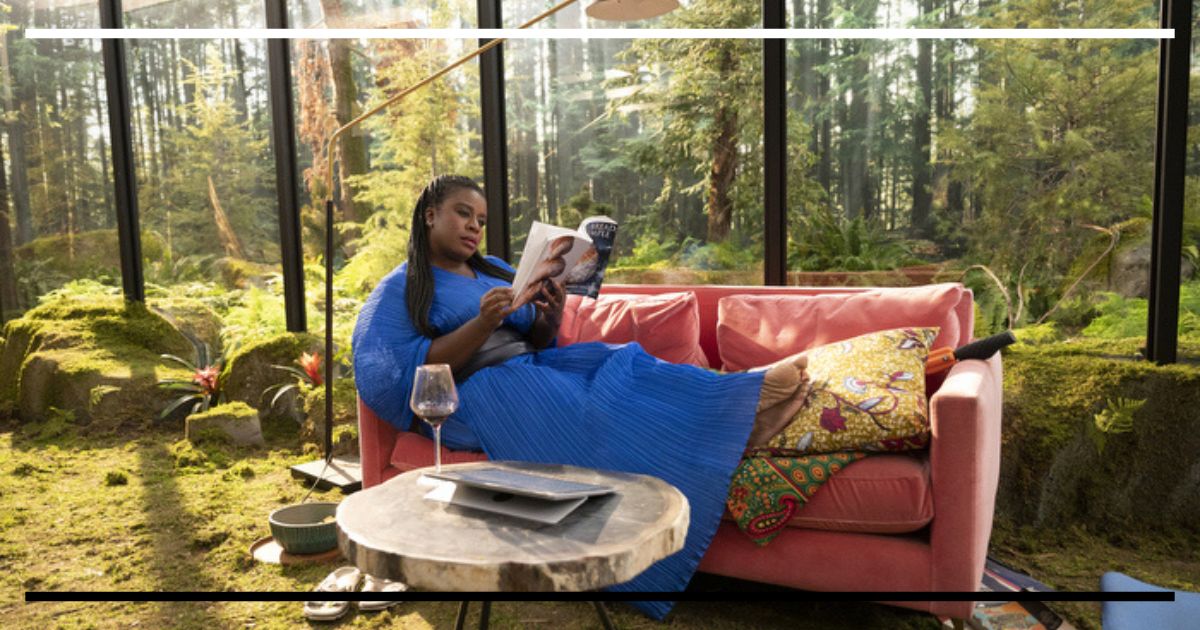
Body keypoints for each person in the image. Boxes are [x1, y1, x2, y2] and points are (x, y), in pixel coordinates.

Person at [353, 175, 809, 619]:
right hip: (477, 391)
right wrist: (482, 323)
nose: (475, 226)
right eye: (463, 213)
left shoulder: (494, 269)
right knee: (588, 403)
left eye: (482, 220)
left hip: (529, 366)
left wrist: (550, 315)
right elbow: (403, 370)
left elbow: (537, 338)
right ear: (430, 215)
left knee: (621, 362)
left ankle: (741, 400)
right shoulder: (402, 286)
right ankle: (741, 417)